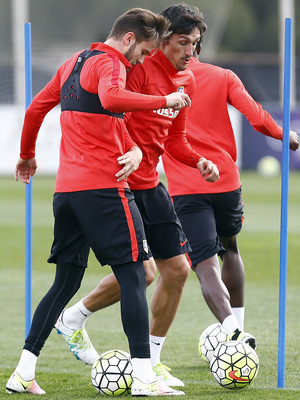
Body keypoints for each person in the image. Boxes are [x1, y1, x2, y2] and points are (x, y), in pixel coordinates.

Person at [6, 8, 192, 397]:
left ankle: (23, 371)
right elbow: (111, 98)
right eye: (141, 52)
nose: (140, 60)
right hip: (105, 191)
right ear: (128, 39)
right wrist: (166, 99)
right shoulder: (110, 64)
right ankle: (144, 377)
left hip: (67, 192)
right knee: (135, 276)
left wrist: (26, 154)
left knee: (65, 284)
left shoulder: (72, 63)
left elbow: (40, 109)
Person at [54, 3, 219, 389]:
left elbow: (173, 141)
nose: (190, 53)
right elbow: (112, 115)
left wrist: (199, 161)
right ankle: (77, 319)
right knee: (143, 273)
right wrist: (132, 150)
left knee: (177, 270)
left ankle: (150, 360)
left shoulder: (187, 81)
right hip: (120, 181)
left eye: (195, 44)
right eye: (183, 43)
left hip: (150, 183)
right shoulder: (136, 70)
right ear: (161, 41)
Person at [161, 36, 299, 345]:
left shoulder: (159, 80)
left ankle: (233, 335)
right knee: (231, 250)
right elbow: (257, 117)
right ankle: (239, 326)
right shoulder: (223, 76)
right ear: (198, 47)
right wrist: (283, 134)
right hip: (226, 181)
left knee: (205, 263)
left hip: (187, 184)